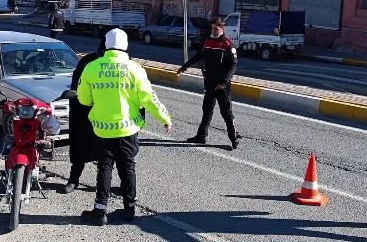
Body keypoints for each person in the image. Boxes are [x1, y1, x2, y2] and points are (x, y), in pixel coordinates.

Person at [77, 29, 173, 226]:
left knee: (104, 167)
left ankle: (100, 211)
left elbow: (84, 99)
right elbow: (149, 98)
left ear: (106, 45)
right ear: (126, 46)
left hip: (102, 129)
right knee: (128, 168)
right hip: (128, 130)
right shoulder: (135, 69)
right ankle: (130, 209)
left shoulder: (92, 67)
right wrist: (165, 117)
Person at [177, 18, 240, 150]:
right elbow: (199, 56)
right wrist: (185, 66)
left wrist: (224, 82)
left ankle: (234, 138)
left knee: (226, 112)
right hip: (209, 83)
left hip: (222, 85)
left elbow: (233, 66)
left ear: (222, 29)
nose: (213, 31)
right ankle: (201, 136)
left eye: (216, 29)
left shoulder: (228, 44)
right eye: (212, 29)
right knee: (207, 110)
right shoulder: (208, 41)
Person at [63, 37, 107, 194]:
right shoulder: (88, 62)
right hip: (85, 113)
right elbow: (76, 86)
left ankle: (106, 187)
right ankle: (73, 179)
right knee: (80, 148)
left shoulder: (123, 63)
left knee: (110, 155)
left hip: (108, 115)